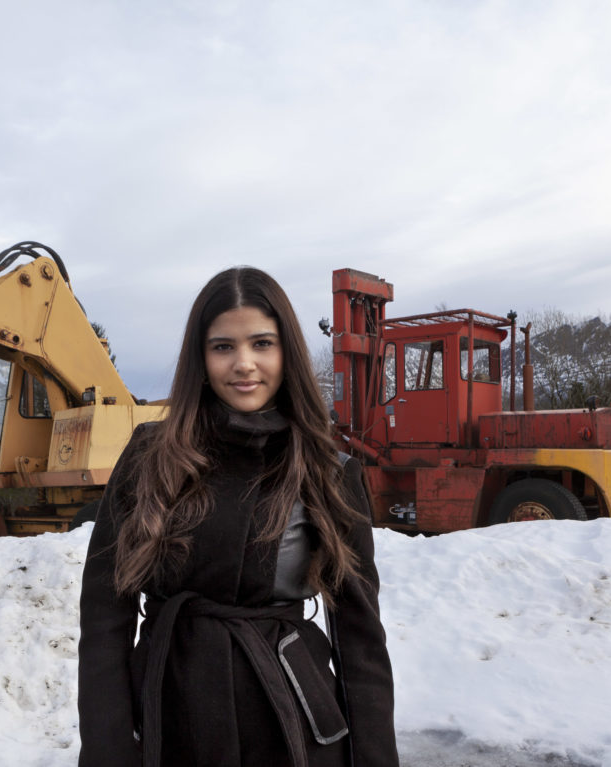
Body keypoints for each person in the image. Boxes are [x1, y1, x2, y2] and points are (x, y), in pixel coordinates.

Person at [78, 267, 398, 767]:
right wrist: (108, 746)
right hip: (170, 716)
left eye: (262, 344)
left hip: (291, 726)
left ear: (286, 352)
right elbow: (104, 616)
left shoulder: (327, 471)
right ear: (201, 359)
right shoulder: (150, 458)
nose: (244, 364)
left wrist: (376, 758)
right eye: (223, 346)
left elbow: (359, 635)